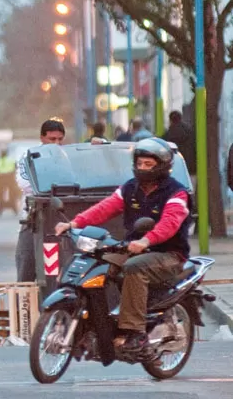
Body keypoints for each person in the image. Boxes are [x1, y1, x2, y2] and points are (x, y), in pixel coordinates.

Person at [55, 138, 191, 353]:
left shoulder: (176, 192)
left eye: (149, 164)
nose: (142, 168)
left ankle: (135, 332)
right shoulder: (130, 188)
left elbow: (170, 224)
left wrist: (147, 240)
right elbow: (105, 208)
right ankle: (97, 326)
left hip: (168, 254)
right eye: (140, 163)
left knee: (133, 268)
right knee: (96, 265)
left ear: (162, 166)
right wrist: (74, 223)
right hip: (134, 247)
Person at [14, 118, 66, 282]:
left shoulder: (67, 158)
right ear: (42, 138)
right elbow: (25, 184)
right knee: (26, 267)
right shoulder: (29, 158)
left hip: (62, 219)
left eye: (60, 140)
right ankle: (23, 305)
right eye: (52, 139)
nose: (56, 144)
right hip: (33, 220)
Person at [162, 111, 196, 181]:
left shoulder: (167, 135)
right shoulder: (190, 133)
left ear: (170, 120)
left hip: (174, 168)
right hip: (190, 168)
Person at [0, 150, 19, 215]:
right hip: (10, 178)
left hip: (1, 178)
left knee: (1, 194)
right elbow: (16, 168)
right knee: (12, 193)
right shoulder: (11, 160)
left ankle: (1, 205)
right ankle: (13, 206)